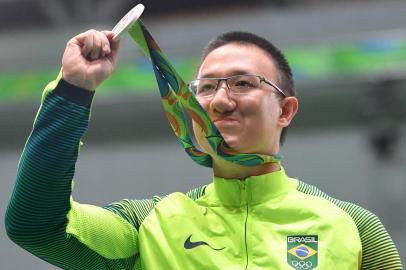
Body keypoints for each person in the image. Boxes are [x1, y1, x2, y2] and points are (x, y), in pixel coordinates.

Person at [5, 29, 403, 270]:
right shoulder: (148, 227)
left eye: (243, 83)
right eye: (207, 87)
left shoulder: (355, 228)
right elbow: (37, 227)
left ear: (285, 110)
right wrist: (74, 90)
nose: (221, 100)